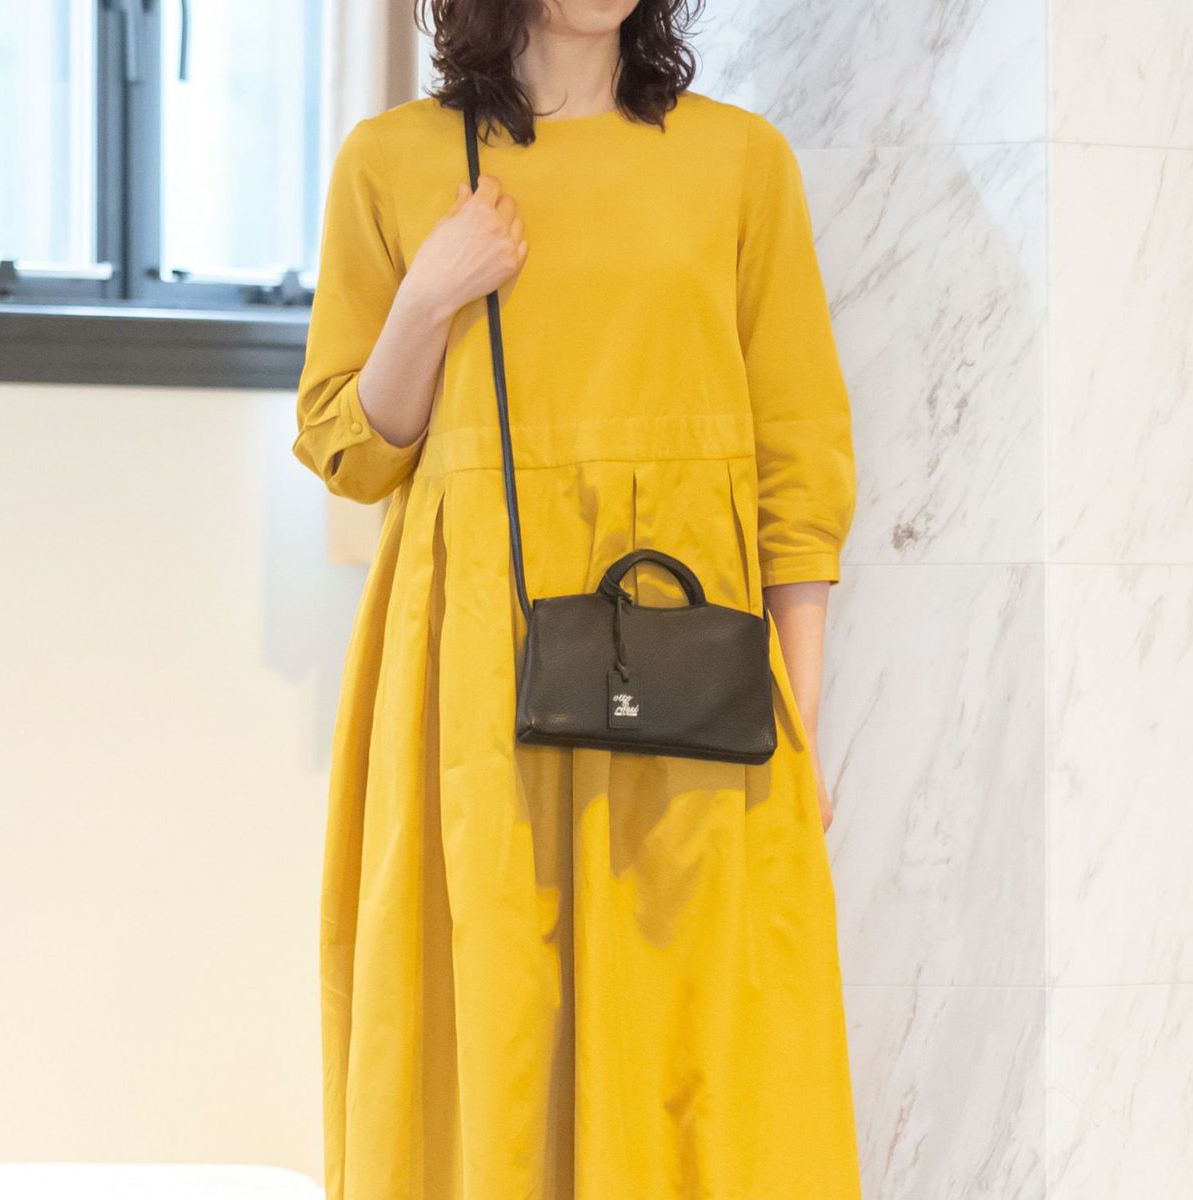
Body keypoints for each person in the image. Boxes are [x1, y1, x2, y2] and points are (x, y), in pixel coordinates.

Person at [292, 0, 862, 1195]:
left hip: (696, 673)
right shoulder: (392, 160)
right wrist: (428, 296)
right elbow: (354, 449)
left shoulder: (740, 160)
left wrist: (803, 721)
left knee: (699, 1031)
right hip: (476, 670)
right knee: (497, 1021)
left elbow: (798, 464)